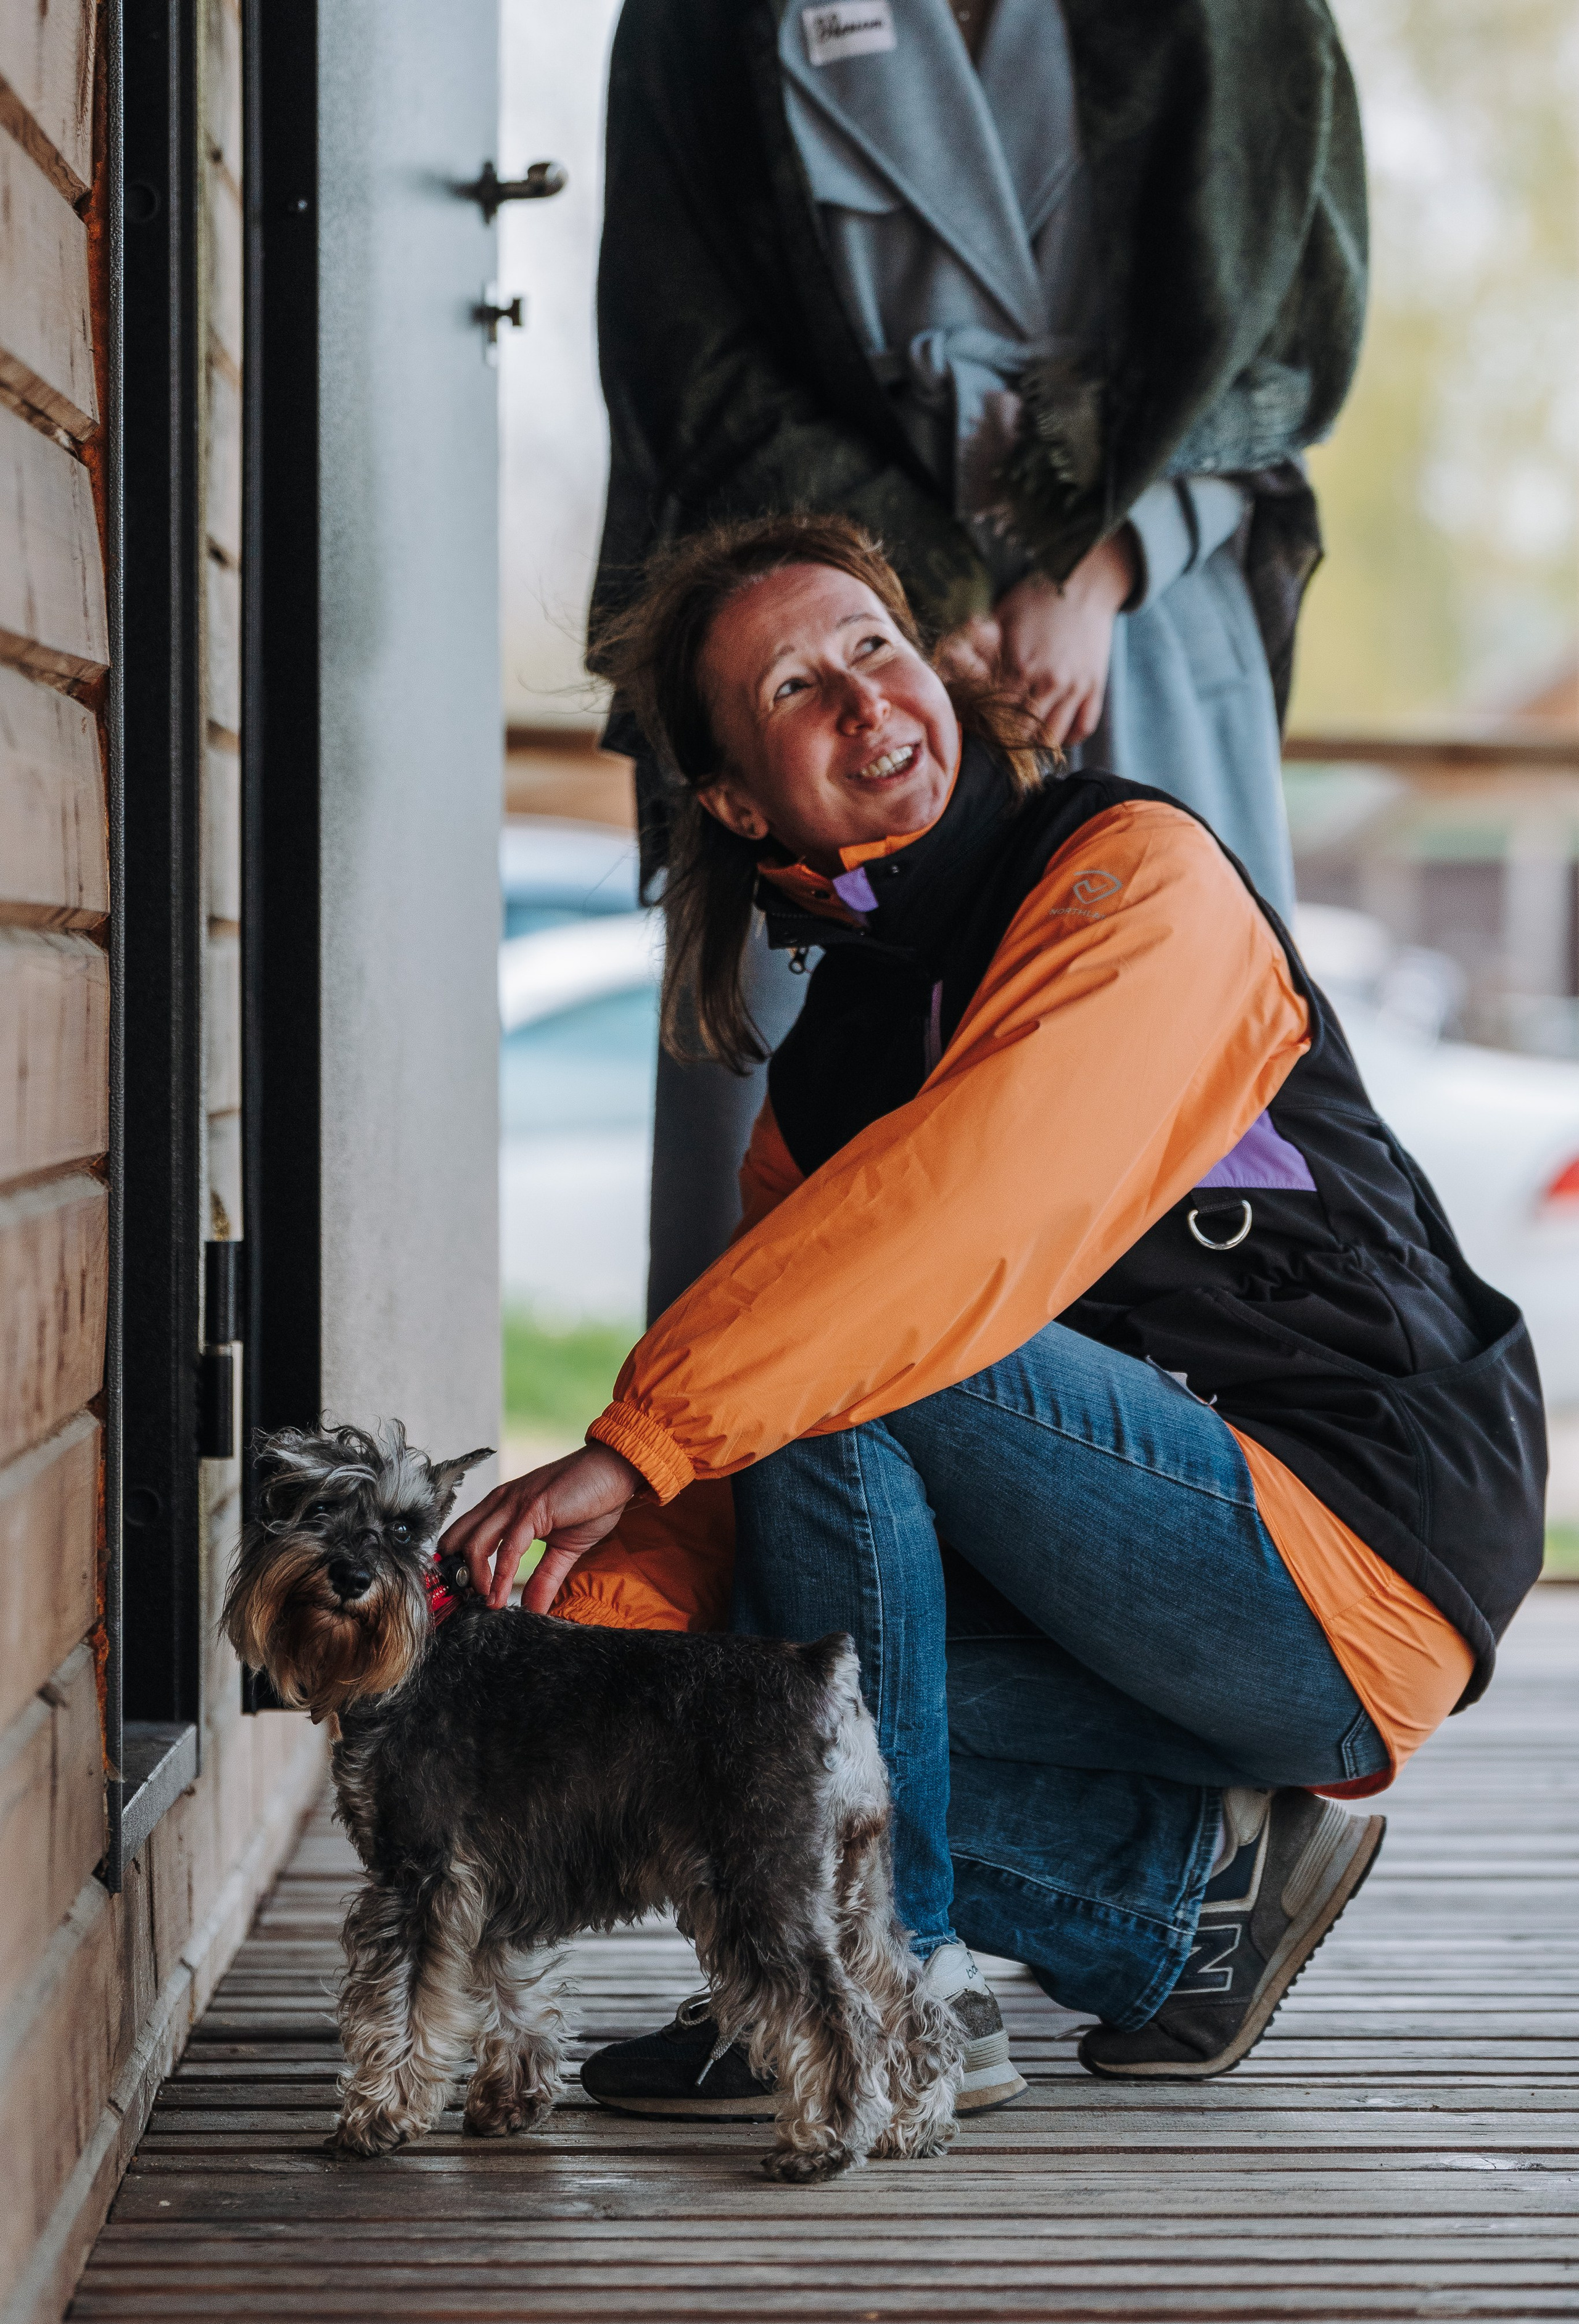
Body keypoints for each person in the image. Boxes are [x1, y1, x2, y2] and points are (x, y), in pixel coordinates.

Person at [447, 515, 1546, 2117]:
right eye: (796, 688)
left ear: (938, 664)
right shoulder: (828, 1071)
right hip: (1133, 1586)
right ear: (746, 799)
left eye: (875, 646)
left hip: (1348, 1537)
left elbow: (957, 1220)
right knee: (714, 1693)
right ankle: (1189, 1903)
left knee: (838, 1358)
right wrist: (559, 1627)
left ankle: (885, 1974)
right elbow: (763, 1489)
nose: (863, 701)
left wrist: (636, 1438)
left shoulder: (1130, 872)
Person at [591, 0, 1368, 1314]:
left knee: (1182, 1125)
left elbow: (1291, 330)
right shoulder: (696, 23)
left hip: (1145, 614)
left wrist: (1093, 562)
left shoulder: (1256, 23)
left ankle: (1146, 1483)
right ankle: (737, 1481)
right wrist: (899, 612)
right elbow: (683, 345)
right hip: (817, 604)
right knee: (790, 1208)